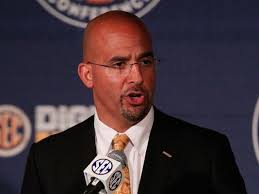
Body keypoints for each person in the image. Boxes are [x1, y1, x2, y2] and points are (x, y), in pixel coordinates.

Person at [21, 11, 247, 194]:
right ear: (87, 75)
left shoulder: (205, 153)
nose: (138, 77)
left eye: (145, 61)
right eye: (119, 64)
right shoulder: (48, 160)